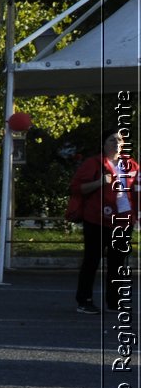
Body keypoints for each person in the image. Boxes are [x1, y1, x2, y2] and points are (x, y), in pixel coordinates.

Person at [72, 131, 137, 313]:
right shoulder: (93, 164)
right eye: (111, 139)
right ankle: (84, 300)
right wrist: (100, 182)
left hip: (123, 220)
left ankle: (114, 301)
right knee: (91, 260)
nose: (116, 143)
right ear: (103, 144)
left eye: (119, 140)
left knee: (118, 262)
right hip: (97, 220)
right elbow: (77, 188)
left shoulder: (131, 165)